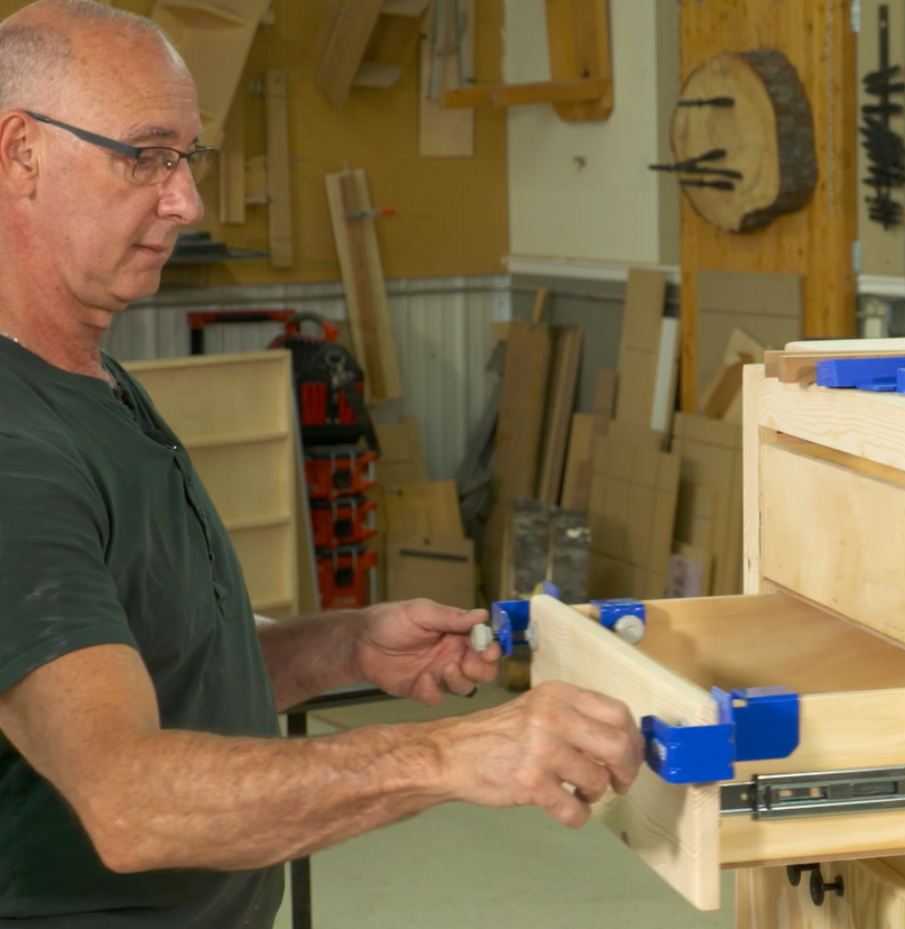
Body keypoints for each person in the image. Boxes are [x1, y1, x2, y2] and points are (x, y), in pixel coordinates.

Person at [0, 2, 645, 925]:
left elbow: (162, 666)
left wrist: (338, 647)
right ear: (20, 151)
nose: (186, 201)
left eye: (188, 158)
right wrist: (451, 754)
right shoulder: (15, 449)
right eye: (144, 155)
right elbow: (127, 800)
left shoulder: (85, 373)